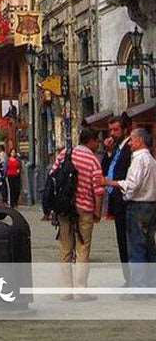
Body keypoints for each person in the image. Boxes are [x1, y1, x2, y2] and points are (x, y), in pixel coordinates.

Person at [50, 128, 104, 298]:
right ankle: (80, 290)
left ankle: (66, 291)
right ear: (92, 141)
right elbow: (98, 190)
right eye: (97, 141)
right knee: (82, 249)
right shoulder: (93, 161)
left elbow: (52, 175)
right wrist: (97, 211)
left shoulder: (65, 153)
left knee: (65, 249)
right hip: (84, 208)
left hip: (65, 208)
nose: (98, 144)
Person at [102, 127, 156, 290]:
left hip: (138, 206)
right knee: (149, 246)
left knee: (137, 247)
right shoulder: (152, 160)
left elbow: (132, 185)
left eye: (132, 140)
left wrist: (112, 183)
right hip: (150, 205)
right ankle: (151, 283)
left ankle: (139, 286)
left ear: (139, 141)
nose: (130, 143)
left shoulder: (139, 160)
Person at [100, 115, 132, 286]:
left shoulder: (129, 148)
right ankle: (128, 277)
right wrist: (109, 152)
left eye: (116, 130)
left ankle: (133, 278)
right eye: (110, 130)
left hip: (126, 201)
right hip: (116, 201)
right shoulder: (117, 149)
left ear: (125, 129)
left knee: (128, 241)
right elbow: (104, 169)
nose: (112, 134)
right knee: (121, 240)